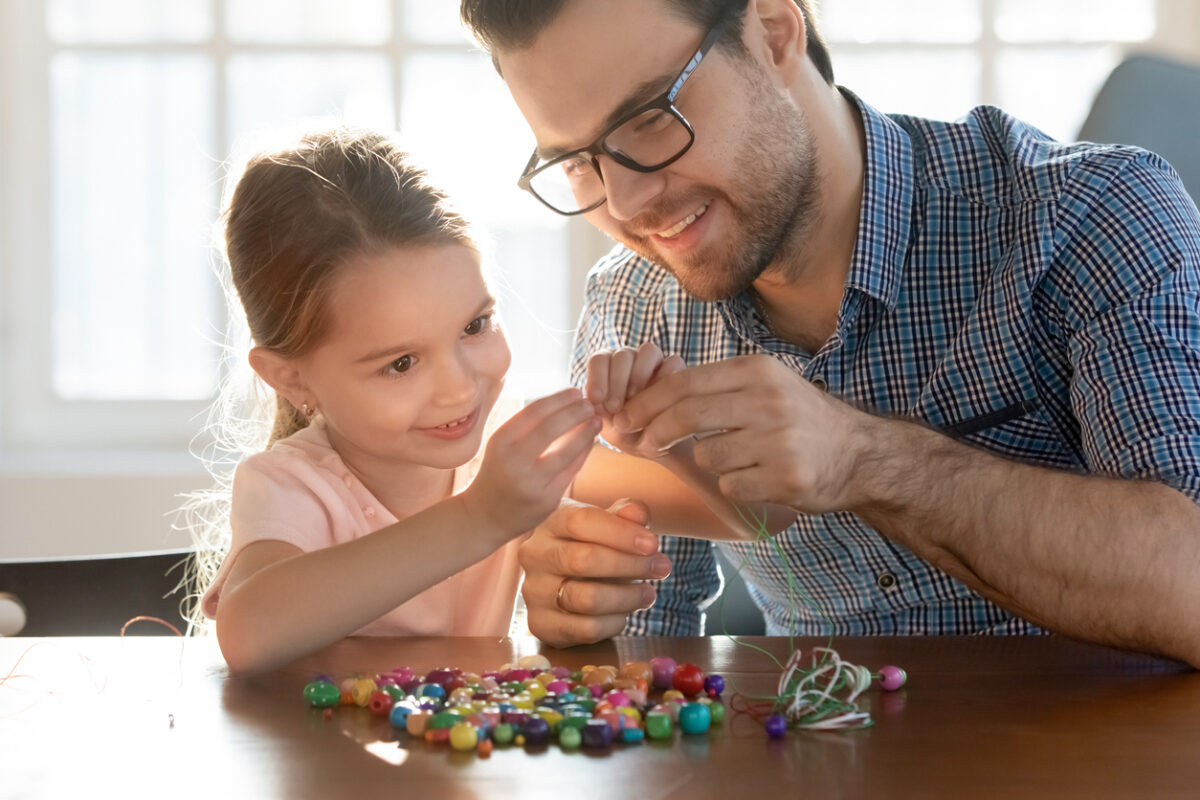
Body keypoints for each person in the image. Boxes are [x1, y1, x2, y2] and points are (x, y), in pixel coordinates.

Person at [459, 0, 1200, 665]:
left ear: (775, 34)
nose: (626, 205)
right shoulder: (634, 306)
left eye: (651, 119)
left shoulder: (1090, 216)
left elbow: (1189, 586)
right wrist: (580, 606)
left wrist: (864, 458)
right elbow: (651, 660)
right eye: (577, 163)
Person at [190, 128, 603, 674]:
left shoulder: (502, 447)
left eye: (475, 326)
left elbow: (737, 508)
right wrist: (481, 518)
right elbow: (249, 633)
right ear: (293, 380)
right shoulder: (291, 486)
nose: (459, 388)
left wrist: (672, 430)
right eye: (400, 364)